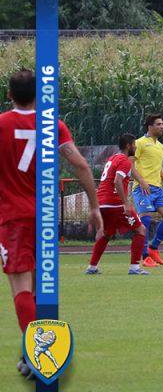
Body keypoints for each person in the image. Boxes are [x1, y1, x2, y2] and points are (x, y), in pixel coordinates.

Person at [0, 69, 102, 378]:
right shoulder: (52, 125)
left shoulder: (2, 125)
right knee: (35, 289)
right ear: (39, 94)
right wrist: (94, 206)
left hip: (13, 217)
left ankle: (39, 354)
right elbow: (81, 164)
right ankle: (33, 352)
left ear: (9, 95)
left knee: (19, 287)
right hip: (44, 216)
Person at [86, 133, 150, 275]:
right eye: (134, 144)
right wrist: (126, 204)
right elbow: (117, 181)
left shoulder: (113, 157)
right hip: (114, 203)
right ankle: (134, 268)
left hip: (102, 202)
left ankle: (92, 267)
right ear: (128, 146)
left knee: (107, 234)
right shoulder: (125, 160)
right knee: (141, 230)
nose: (135, 147)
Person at [130, 113, 163, 267]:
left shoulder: (160, 146)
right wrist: (141, 181)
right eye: (159, 124)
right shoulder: (139, 143)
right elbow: (129, 164)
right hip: (142, 188)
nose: (162, 126)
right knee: (146, 221)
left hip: (157, 188)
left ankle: (154, 248)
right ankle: (145, 256)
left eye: (162, 124)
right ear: (150, 126)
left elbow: (156, 165)